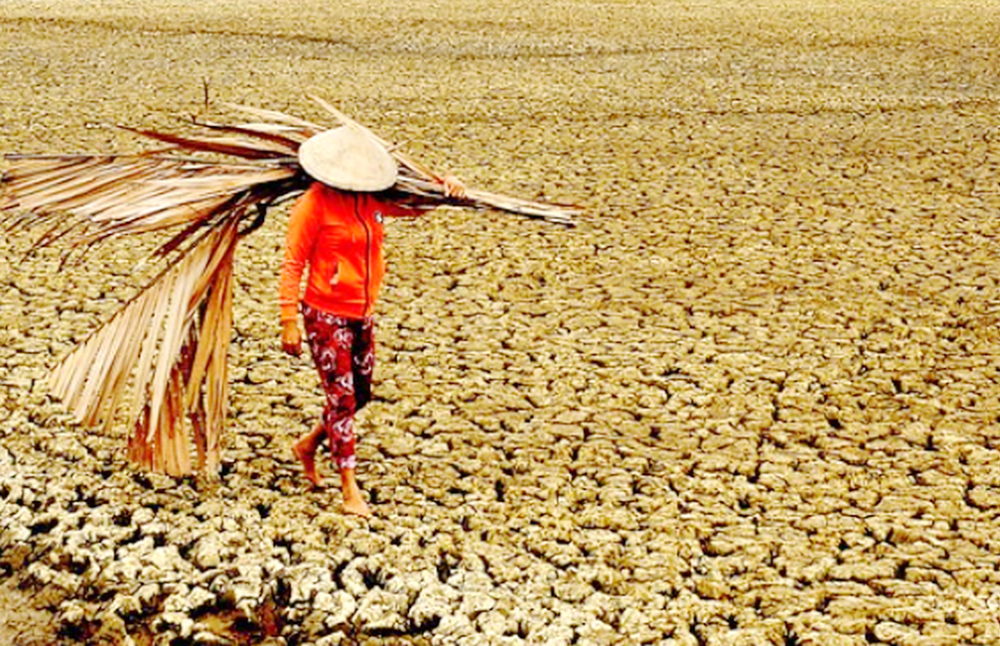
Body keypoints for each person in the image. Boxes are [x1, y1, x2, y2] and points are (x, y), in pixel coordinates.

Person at [279, 126, 466, 517]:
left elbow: (413, 208)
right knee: (342, 399)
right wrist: (288, 320)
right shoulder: (315, 204)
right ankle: (349, 489)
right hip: (325, 313)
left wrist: (444, 187)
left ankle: (309, 444)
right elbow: (293, 262)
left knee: (360, 393)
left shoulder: (373, 204)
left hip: (362, 312)